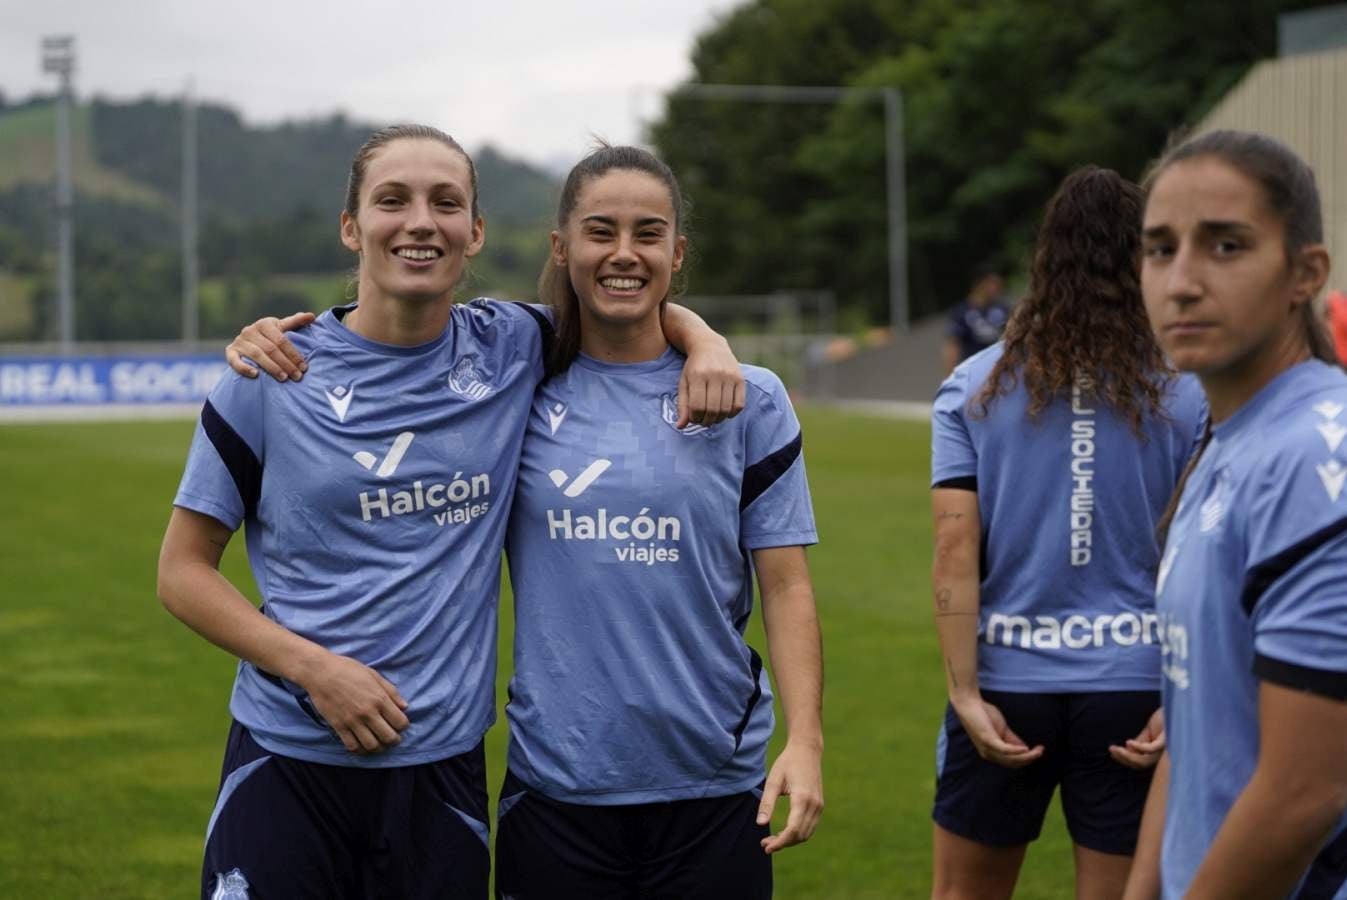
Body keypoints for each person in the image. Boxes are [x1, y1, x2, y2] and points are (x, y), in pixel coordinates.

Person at [161, 124, 741, 900]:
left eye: (445, 203)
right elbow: (181, 572)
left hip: (441, 774)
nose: (419, 221)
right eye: (391, 200)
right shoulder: (271, 375)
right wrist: (313, 669)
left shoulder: (513, 348)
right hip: (289, 758)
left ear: (474, 232)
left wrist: (705, 341)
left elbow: (623, 309)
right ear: (351, 226)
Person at [492, 144, 823, 899]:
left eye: (647, 234)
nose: (622, 253)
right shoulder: (512, 384)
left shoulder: (751, 399)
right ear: (561, 247)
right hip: (557, 786)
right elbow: (398, 329)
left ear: (676, 252)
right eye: (600, 231)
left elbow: (787, 586)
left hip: (712, 784)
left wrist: (805, 742)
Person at [929, 166, 1207, 900]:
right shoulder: (1189, 390)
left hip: (1002, 687)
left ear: (1042, 260)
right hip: (1137, 693)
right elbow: (1208, 554)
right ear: (1140, 259)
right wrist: (1189, 693)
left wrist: (962, 695)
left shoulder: (974, 385)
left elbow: (953, 550)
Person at [1123, 130, 1347, 899]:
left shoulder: (1317, 464)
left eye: (1224, 246)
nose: (1180, 281)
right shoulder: (1224, 446)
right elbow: (1195, 727)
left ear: (1304, 273)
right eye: (1158, 249)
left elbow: (1303, 793)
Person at [942, 264, 1010, 376]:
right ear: (980, 284)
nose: (998, 287)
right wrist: (950, 376)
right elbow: (953, 345)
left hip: (999, 372)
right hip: (972, 372)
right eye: (993, 283)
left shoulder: (1002, 309)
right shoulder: (961, 312)